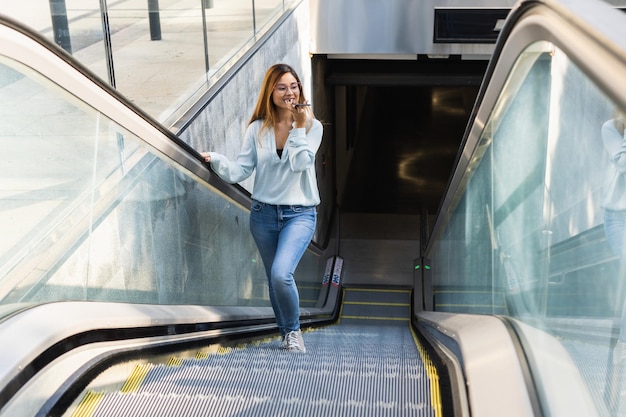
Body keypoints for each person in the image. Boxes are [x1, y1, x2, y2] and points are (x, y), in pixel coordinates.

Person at [200, 63, 323, 353]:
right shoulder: (258, 129)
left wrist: (298, 127)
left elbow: (300, 164)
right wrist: (216, 159)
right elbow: (242, 169)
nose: (289, 92)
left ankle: (294, 333)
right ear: (270, 92)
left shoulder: (312, 127)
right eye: (281, 87)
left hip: (300, 214)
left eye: (293, 86)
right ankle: (285, 333)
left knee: (282, 274)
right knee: (272, 279)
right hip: (263, 215)